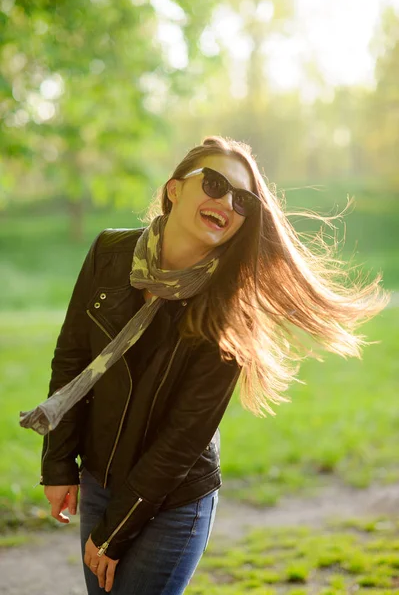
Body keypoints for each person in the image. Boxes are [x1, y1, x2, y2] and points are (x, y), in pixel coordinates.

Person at [20, 136, 389, 594]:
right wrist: (58, 466)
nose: (227, 202)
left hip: (173, 501)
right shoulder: (109, 253)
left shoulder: (231, 307)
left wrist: (115, 531)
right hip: (99, 479)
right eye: (214, 184)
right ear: (174, 189)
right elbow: (73, 359)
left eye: (243, 199)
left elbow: (183, 439)